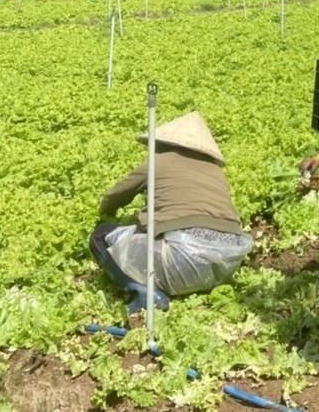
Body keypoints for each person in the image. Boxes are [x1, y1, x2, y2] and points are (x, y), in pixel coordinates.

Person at [89, 111, 252, 315]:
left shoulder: (157, 162)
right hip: (227, 265)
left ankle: (142, 293)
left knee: (101, 235)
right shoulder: (216, 172)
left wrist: (106, 214)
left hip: (183, 261)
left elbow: (115, 196)